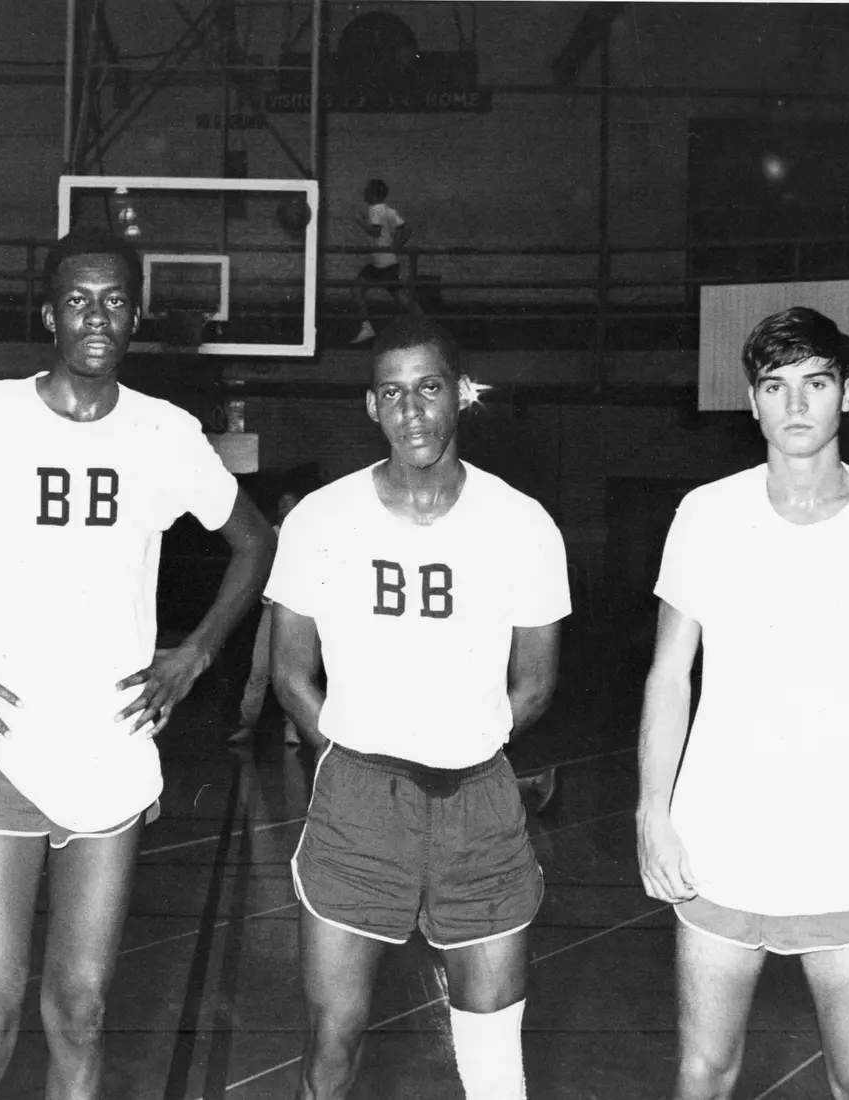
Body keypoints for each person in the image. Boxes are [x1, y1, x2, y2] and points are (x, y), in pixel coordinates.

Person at [0, 229, 275, 1100]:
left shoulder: (165, 433)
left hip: (111, 748)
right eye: (78, 299)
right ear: (47, 312)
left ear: (138, 315)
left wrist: (195, 655)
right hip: (2, 742)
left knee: (79, 1009)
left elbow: (255, 542)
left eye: (115, 300)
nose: (97, 316)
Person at [636, 306, 849, 1100]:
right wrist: (652, 812)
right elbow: (670, 675)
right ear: (752, 402)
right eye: (776, 386)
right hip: (721, 842)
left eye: (816, 382)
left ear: (846, 393)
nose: (797, 404)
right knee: (704, 1071)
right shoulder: (706, 514)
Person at [269, 316, 571, 1099]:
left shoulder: (522, 522)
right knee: (332, 1041)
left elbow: (536, 681)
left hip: (480, 801)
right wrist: (345, 751)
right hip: (357, 801)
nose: (412, 411)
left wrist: (465, 739)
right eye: (393, 393)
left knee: (495, 1060)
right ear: (372, 407)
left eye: (429, 388)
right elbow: (291, 673)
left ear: (460, 396)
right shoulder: (320, 520)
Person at [229, 488, 305, 747]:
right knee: (259, 670)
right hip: (271, 611)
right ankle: (246, 725)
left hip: (298, 614)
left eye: (291, 503)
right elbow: (255, 567)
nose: (287, 508)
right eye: (283, 503)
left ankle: (292, 729)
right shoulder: (269, 535)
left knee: (293, 673)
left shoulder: (310, 535)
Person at [350, 178, 419, 346]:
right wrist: (397, 245)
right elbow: (407, 229)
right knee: (357, 289)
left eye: (367, 190)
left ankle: (424, 325)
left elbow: (374, 232)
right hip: (382, 263)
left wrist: (360, 221)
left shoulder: (374, 210)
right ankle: (367, 328)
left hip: (384, 265)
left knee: (401, 298)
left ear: (373, 194)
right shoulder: (387, 209)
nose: (364, 193)